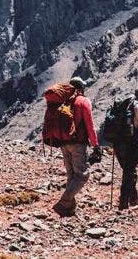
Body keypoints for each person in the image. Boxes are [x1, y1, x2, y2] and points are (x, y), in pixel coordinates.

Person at [41, 76, 102, 217]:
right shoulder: (83, 101)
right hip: (78, 143)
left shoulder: (62, 101)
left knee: (71, 175)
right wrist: (95, 145)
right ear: (81, 88)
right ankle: (64, 202)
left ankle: (69, 208)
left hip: (63, 142)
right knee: (83, 175)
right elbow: (90, 125)